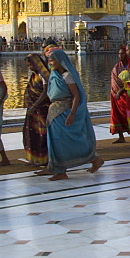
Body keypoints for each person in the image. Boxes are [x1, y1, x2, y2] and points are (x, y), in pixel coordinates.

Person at [40, 49, 103, 180]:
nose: (50, 62)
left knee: (67, 141)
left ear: (60, 61)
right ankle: (57, 169)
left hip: (64, 110)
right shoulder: (53, 75)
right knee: (56, 141)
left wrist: (72, 113)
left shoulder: (67, 76)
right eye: (49, 60)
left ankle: (92, 159)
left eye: (52, 60)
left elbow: (76, 96)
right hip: (54, 111)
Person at [22, 53, 50, 166]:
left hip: (42, 109)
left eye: (30, 65)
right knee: (31, 134)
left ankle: (44, 159)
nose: (29, 67)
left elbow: (45, 91)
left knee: (42, 134)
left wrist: (35, 105)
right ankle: (34, 158)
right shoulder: (34, 75)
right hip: (33, 109)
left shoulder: (43, 75)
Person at [109, 47, 130, 143]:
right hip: (115, 94)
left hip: (126, 94)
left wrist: (121, 91)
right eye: (119, 54)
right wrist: (116, 92)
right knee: (116, 115)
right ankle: (121, 136)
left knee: (129, 115)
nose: (120, 56)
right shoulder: (117, 66)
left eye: (122, 53)